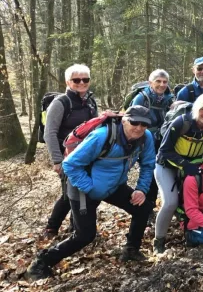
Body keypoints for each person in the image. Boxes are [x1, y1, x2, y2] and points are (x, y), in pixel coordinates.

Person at [27, 106, 156, 279]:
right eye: (135, 122)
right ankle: (41, 263)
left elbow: (148, 164)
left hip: (113, 185)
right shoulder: (101, 136)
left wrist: (141, 189)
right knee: (85, 235)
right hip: (83, 187)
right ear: (124, 120)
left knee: (143, 208)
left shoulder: (145, 138)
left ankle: (131, 250)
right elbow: (70, 165)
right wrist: (90, 188)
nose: (139, 128)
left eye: (144, 124)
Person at [154, 93, 203, 253]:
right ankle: (159, 241)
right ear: (197, 108)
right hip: (167, 165)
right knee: (170, 203)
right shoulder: (181, 122)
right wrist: (184, 165)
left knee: (196, 199)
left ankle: (190, 232)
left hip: (193, 165)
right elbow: (164, 150)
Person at [42, 64, 98, 238]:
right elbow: (49, 133)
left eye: (85, 79)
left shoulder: (90, 101)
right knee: (69, 194)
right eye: (76, 80)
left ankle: (76, 226)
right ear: (68, 82)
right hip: (67, 157)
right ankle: (52, 228)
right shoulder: (61, 103)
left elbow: (96, 127)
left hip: (88, 156)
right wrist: (57, 160)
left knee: (84, 192)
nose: (81, 83)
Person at [130, 69, 174, 226]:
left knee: (157, 174)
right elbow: (131, 120)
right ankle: (144, 209)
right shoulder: (141, 98)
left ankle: (150, 208)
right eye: (158, 81)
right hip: (145, 140)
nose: (162, 85)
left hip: (163, 141)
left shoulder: (169, 99)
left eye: (164, 82)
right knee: (148, 171)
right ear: (150, 83)